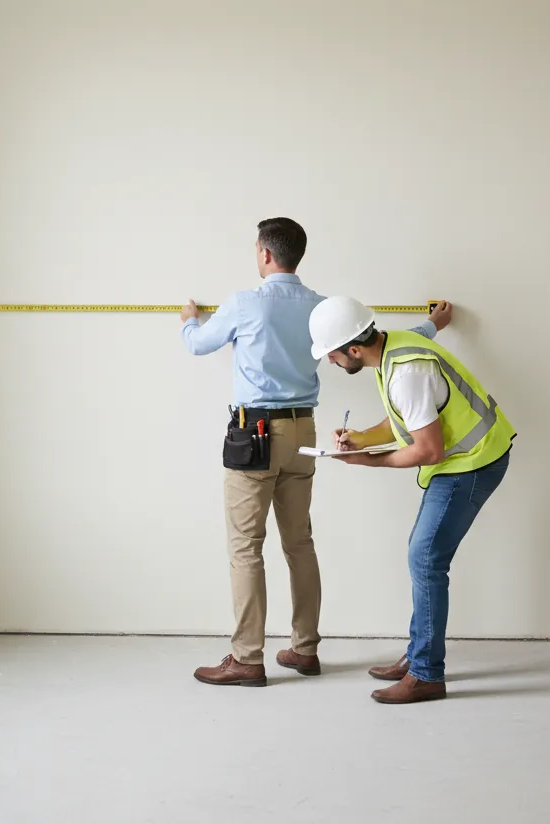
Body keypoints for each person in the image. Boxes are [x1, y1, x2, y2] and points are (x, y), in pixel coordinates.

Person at [181, 219, 452, 687]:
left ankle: (247, 658)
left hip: (254, 435)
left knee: (246, 548)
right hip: (303, 431)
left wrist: (189, 318)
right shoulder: (322, 309)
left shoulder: (245, 303)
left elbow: (198, 345)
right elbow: (382, 342)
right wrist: (432, 324)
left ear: (265, 254)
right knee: (299, 542)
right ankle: (304, 649)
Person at [308, 296, 515, 704]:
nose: (330, 363)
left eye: (331, 356)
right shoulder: (392, 347)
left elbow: (428, 450)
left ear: (353, 348)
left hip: (471, 463)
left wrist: (369, 461)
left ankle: (426, 675)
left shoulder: (406, 373)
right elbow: (405, 415)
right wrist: (363, 438)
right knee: (423, 556)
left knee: (425, 558)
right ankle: (417, 654)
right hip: (461, 462)